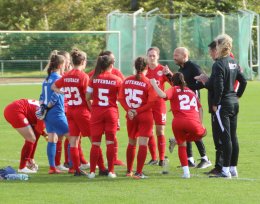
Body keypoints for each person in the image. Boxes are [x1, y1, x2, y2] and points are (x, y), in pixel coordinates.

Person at [195, 34, 247, 178]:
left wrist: (215, 103)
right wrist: (237, 95)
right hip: (234, 103)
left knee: (225, 137)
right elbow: (244, 81)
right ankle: (232, 168)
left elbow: (219, 86)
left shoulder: (218, 64)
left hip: (223, 105)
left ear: (219, 46)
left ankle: (225, 171)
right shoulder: (233, 62)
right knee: (233, 137)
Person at [150, 72, 207, 178]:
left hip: (178, 122)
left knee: (182, 145)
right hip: (193, 122)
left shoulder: (174, 89)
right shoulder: (191, 92)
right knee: (203, 133)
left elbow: (162, 95)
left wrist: (154, 84)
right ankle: (177, 140)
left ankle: (186, 173)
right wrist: (200, 122)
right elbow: (200, 108)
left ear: (173, 82)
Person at [52, 48, 92, 176]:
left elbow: (54, 86)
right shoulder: (83, 76)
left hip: (70, 111)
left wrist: (63, 92)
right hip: (82, 111)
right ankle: (101, 167)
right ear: (83, 61)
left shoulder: (67, 75)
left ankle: (76, 169)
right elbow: (87, 97)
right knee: (94, 140)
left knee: (73, 141)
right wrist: (93, 110)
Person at [118, 56, 158, 179]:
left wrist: (129, 110)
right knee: (143, 143)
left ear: (134, 67)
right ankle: (139, 172)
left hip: (131, 116)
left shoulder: (127, 80)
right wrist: (137, 111)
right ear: (147, 67)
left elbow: (120, 98)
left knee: (131, 142)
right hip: (144, 115)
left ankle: (129, 170)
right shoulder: (148, 82)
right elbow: (151, 102)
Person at [173, 47, 211, 169]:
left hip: (192, 104)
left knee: (194, 130)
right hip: (184, 105)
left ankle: (205, 158)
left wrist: (190, 87)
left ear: (185, 56)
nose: (174, 57)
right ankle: (189, 159)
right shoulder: (181, 69)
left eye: (177, 55)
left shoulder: (193, 67)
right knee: (185, 130)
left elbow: (204, 81)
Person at [86, 54, 122, 179]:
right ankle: (111, 171)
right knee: (110, 142)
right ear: (111, 65)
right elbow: (121, 97)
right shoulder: (117, 79)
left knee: (95, 143)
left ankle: (91, 172)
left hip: (96, 113)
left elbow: (87, 97)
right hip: (111, 112)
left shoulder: (93, 79)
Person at [37, 51, 69, 174]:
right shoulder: (59, 79)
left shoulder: (46, 79)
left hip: (47, 114)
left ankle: (52, 167)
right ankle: (73, 167)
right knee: (72, 137)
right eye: (66, 63)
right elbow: (55, 96)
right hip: (57, 113)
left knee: (52, 138)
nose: (67, 65)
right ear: (60, 65)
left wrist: (44, 108)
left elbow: (41, 97)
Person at [145, 47, 173, 166]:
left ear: (158, 57)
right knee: (148, 131)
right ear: (147, 56)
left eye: (154, 56)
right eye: (150, 55)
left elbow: (174, 84)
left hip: (159, 104)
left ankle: (162, 159)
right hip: (146, 104)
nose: (152, 58)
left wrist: (169, 74)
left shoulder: (162, 70)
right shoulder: (143, 70)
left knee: (160, 130)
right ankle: (154, 158)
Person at [4, 99, 46, 173]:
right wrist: (45, 134)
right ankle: (22, 168)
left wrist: (31, 158)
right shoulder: (46, 113)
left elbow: (38, 132)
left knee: (32, 138)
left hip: (13, 109)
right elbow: (37, 133)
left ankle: (27, 162)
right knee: (31, 138)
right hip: (16, 111)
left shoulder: (47, 108)